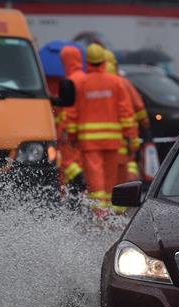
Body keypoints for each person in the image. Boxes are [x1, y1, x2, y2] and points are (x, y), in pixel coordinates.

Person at [66, 43, 136, 217]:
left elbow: (73, 113)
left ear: (87, 61)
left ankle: (99, 214)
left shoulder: (81, 84)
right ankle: (112, 214)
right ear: (104, 61)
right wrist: (129, 136)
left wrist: (73, 136)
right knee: (111, 179)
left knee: (95, 181)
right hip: (112, 140)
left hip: (89, 142)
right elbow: (126, 112)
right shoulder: (116, 82)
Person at [104, 49, 150, 183]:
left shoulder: (89, 83)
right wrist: (145, 125)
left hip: (98, 142)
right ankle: (130, 193)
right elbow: (138, 106)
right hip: (123, 138)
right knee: (127, 165)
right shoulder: (122, 83)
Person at [58, 45, 87, 193]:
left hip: (71, 130)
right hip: (85, 129)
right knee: (79, 160)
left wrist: (63, 129)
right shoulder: (85, 78)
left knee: (66, 161)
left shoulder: (71, 81)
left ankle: (75, 184)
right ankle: (79, 189)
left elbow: (69, 109)